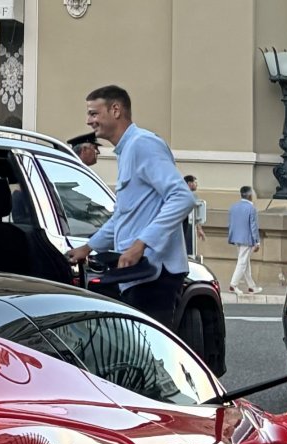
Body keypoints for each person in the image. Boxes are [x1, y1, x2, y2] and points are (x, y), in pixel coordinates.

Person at [65, 85, 194, 328]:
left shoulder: (142, 144)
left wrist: (140, 244)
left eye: (93, 113)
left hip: (154, 275)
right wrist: (88, 247)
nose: (89, 121)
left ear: (115, 110)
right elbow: (125, 216)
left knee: (150, 349)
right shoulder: (127, 150)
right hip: (139, 276)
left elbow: (182, 198)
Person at [227, 185, 262, 295]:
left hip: (236, 238)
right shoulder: (251, 208)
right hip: (247, 239)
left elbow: (231, 224)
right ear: (250, 195)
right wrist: (257, 241)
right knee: (242, 262)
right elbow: (253, 226)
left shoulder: (234, 207)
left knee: (245, 262)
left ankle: (251, 286)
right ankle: (233, 285)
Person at [182, 174, 207, 258]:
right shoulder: (192, 196)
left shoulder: (179, 194)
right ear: (190, 184)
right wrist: (199, 229)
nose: (197, 185)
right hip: (187, 227)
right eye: (195, 182)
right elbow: (195, 214)